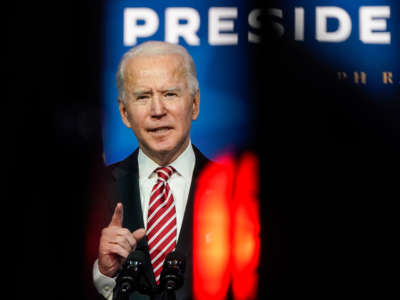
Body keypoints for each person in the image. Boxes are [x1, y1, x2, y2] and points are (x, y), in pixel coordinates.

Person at [92, 41, 211, 300]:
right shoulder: (94, 191)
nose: (158, 111)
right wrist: (103, 273)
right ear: (124, 112)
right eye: (143, 97)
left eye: (170, 94)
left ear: (195, 104)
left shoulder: (232, 190)